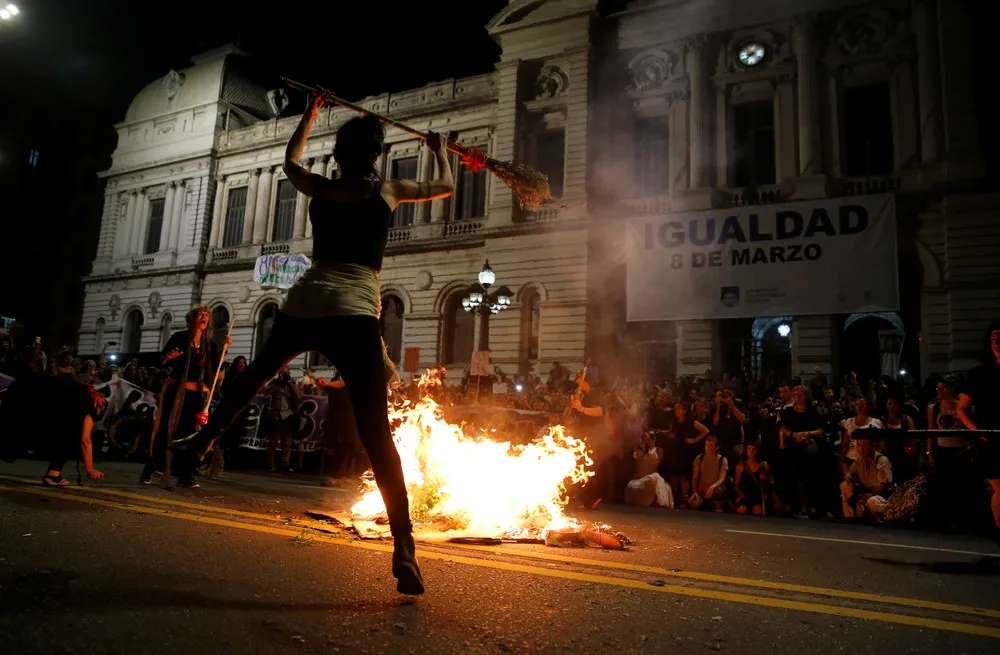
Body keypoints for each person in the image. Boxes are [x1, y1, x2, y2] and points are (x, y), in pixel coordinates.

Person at [170, 92, 455, 595]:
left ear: (340, 154)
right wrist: (437, 149)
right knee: (377, 434)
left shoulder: (319, 188)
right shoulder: (386, 191)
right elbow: (446, 186)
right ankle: (404, 545)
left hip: (307, 300)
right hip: (354, 309)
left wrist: (311, 113)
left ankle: (201, 439)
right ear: (375, 156)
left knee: (256, 373)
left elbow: (288, 162)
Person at [141, 306, 230, 488]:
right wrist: (168, 358)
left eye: (207, 315)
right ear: (192, 319)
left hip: (197, 394)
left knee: (191, 435)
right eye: (201, 315)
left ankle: (185, 475)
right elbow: (161, 360)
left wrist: (225, 351)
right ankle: (150, 469)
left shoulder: (209, 344)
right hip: (177, 392)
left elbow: (214, 369)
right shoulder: (180, 338)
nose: (204, 317)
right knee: (167, 430)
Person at [0, 375, 108, 485]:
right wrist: (90, 469)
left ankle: (53, 474)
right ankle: (53, 475)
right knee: (72, 438)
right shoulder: (92, 403)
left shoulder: (78, 393)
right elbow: (85, 440)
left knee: (67, 434)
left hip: (26, 395)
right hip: (27, 398)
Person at [957, 322, 1000, 545]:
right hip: (991, 440)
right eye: (993, 338)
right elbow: (961, 408)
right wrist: (979, 432)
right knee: (999, 487)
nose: (997, 343)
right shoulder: (980, 373)